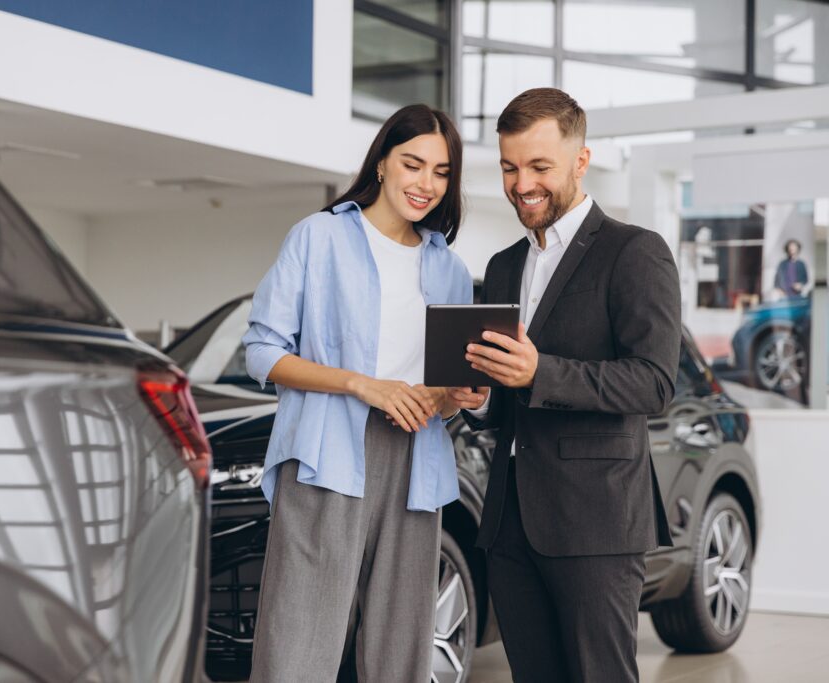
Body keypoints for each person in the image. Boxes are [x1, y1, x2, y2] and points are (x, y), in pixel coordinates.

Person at [448, 88, 680, 683]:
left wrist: (540, 372)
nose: (521, 183)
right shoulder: (502, 265)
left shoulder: (634, 252)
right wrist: (478, 401)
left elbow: (654, 383)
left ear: (581, 161)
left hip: (595, 521)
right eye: (508, 166)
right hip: (509, 523)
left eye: (539, 166)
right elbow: (505, 396)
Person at [243, 104, 472, 682]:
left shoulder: (450, 269)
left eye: (440, 172)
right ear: (381, 163)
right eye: (412, 164)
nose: (425, 184)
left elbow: (454, 386)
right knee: (299, 640)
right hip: (327, 453)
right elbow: (263, 353)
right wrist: (360, 384)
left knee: (402, 648)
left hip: (418, 459)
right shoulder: (319, 237)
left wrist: (458, 395)